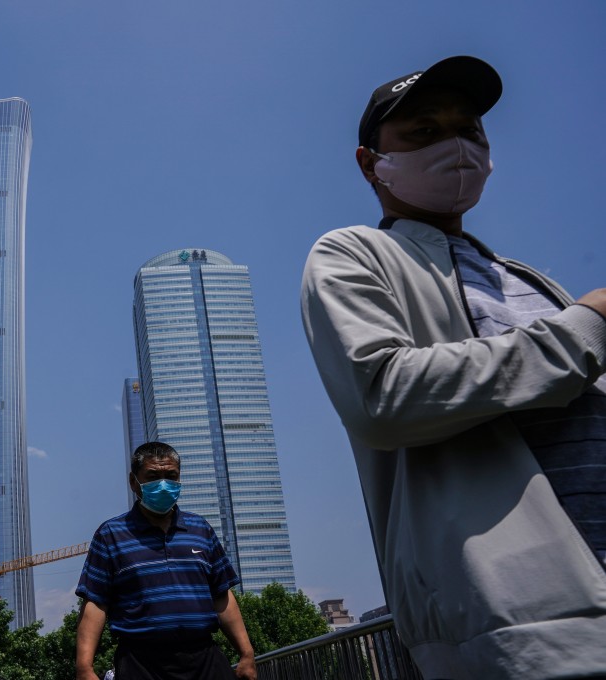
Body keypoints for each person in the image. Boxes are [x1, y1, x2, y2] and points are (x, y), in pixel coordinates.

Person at [300, 55, 606, 679]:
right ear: (370, 163)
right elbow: (383, 394)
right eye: (424, 132)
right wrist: (586, 326)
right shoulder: (355, 254)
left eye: (470, 129)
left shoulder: (530, 280)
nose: (456, 146)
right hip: (519, 622)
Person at [74, 441, 256, 680]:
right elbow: (96, 604)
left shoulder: (200, 529)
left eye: (171, 476)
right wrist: (84, 668)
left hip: (204, 658)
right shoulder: (111, 534)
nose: (163, 484)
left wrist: (246, 654)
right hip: (141, 664)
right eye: (153, 476)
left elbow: (221, 595)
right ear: (133, 482)